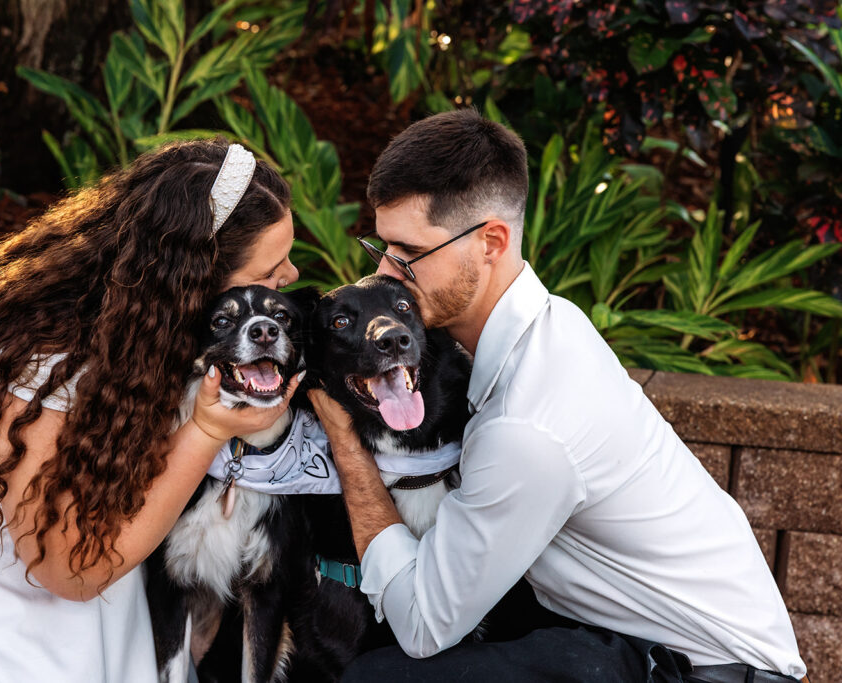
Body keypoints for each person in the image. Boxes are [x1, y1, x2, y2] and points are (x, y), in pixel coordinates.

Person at [307, 109, 808, 683]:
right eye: (382, 249)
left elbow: (423, 625)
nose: (388, 276)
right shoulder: (551, 325)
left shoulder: (530, 421)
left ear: (490, 241)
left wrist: (349, 450)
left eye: (407, 254)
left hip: (706, 671)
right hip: (643, 639)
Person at [0, 139, 302, 682]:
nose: (292, 274)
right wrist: (207, 431)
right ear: (197, 279)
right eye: (269, 269)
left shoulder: (150, 330)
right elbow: (72, 571)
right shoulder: (49, 367)